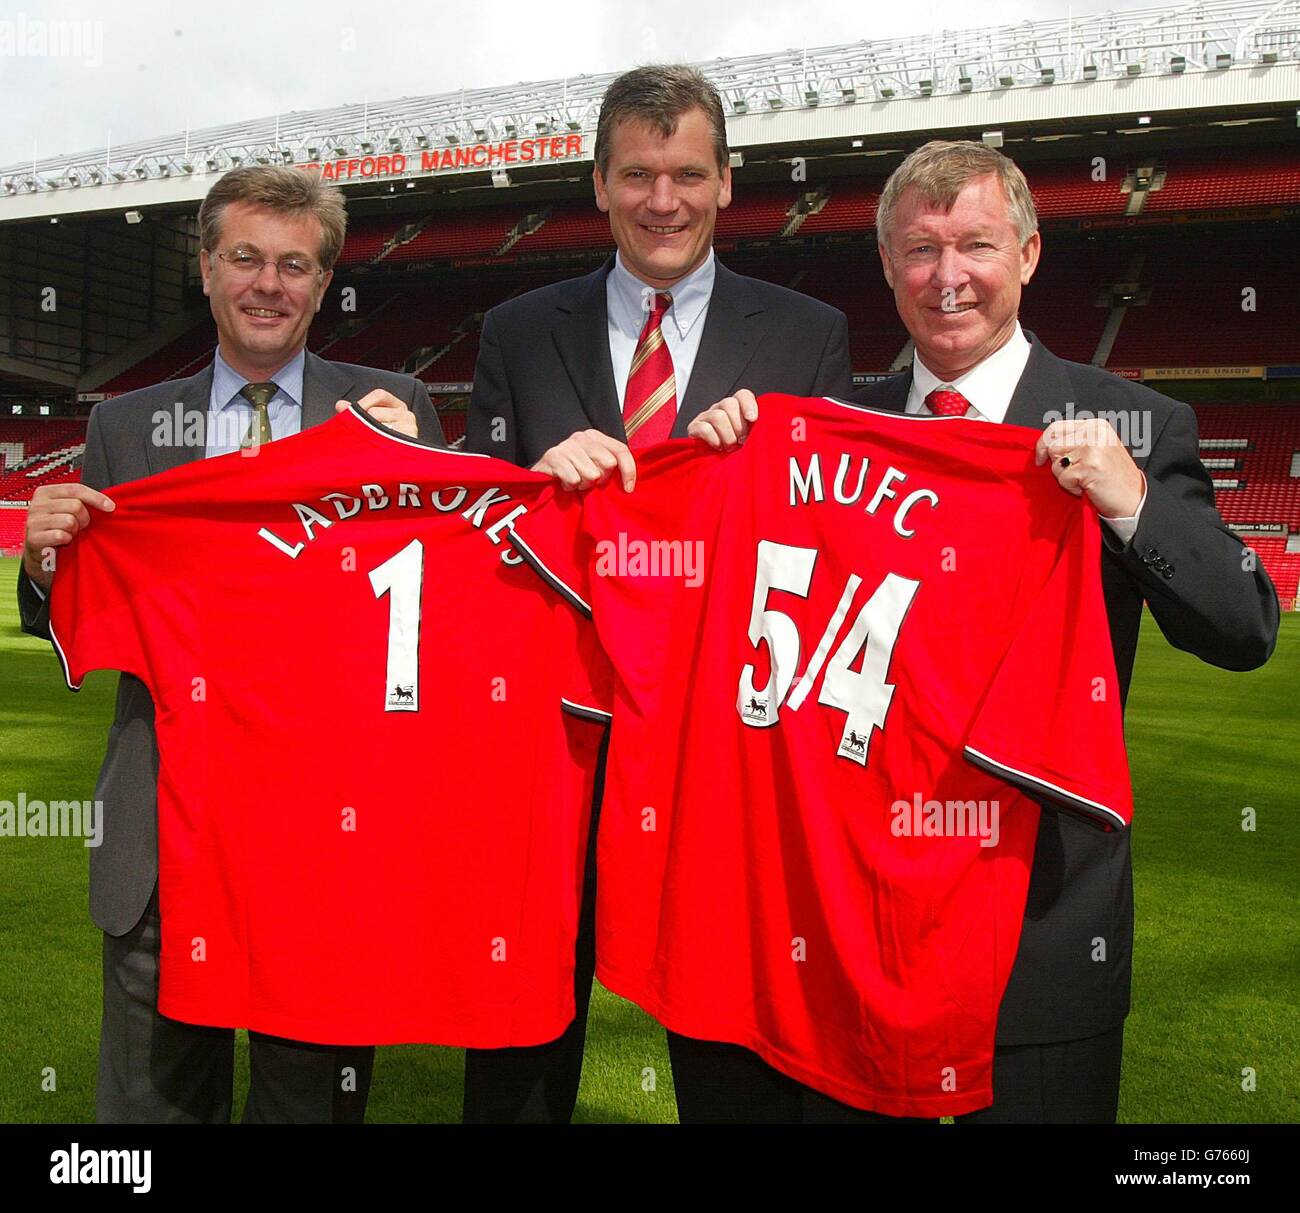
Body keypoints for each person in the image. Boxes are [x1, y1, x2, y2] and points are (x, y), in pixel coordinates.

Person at [691, 138, 1279, 1123]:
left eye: (975, 245)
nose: (947, 276)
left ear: (1030, 254)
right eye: (919, 251)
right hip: (850, 924)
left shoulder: (1132, 423)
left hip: (1041, 929)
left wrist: (1131, 502)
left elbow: (1243, 625)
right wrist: (724, 461)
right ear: (884, 267)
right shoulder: (826, 424)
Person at [463, 63, 853, 1124]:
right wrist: (530, 486)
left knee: (726, 1021)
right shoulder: (516, 328)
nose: (663, 201)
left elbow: (825, 550)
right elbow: (475, 542)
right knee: (520, 1028)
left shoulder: (807, 336)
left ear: (729, 182)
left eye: (687, 173)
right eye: (638, 175)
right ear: (599, 183)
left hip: (721, 746)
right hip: (556, 743)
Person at [17, 165, 444, 1123]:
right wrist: (46, 567)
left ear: (323, 284)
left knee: (308, 1107)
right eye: (245, 257)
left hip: (325, 838)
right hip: (166, 837)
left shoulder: (393, 407)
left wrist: (411, 467)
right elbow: (79, 623)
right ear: (206, 269)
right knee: (152, 1113)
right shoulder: (125, 426)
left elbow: (436, 613)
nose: (268, 283)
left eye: (295, 265)